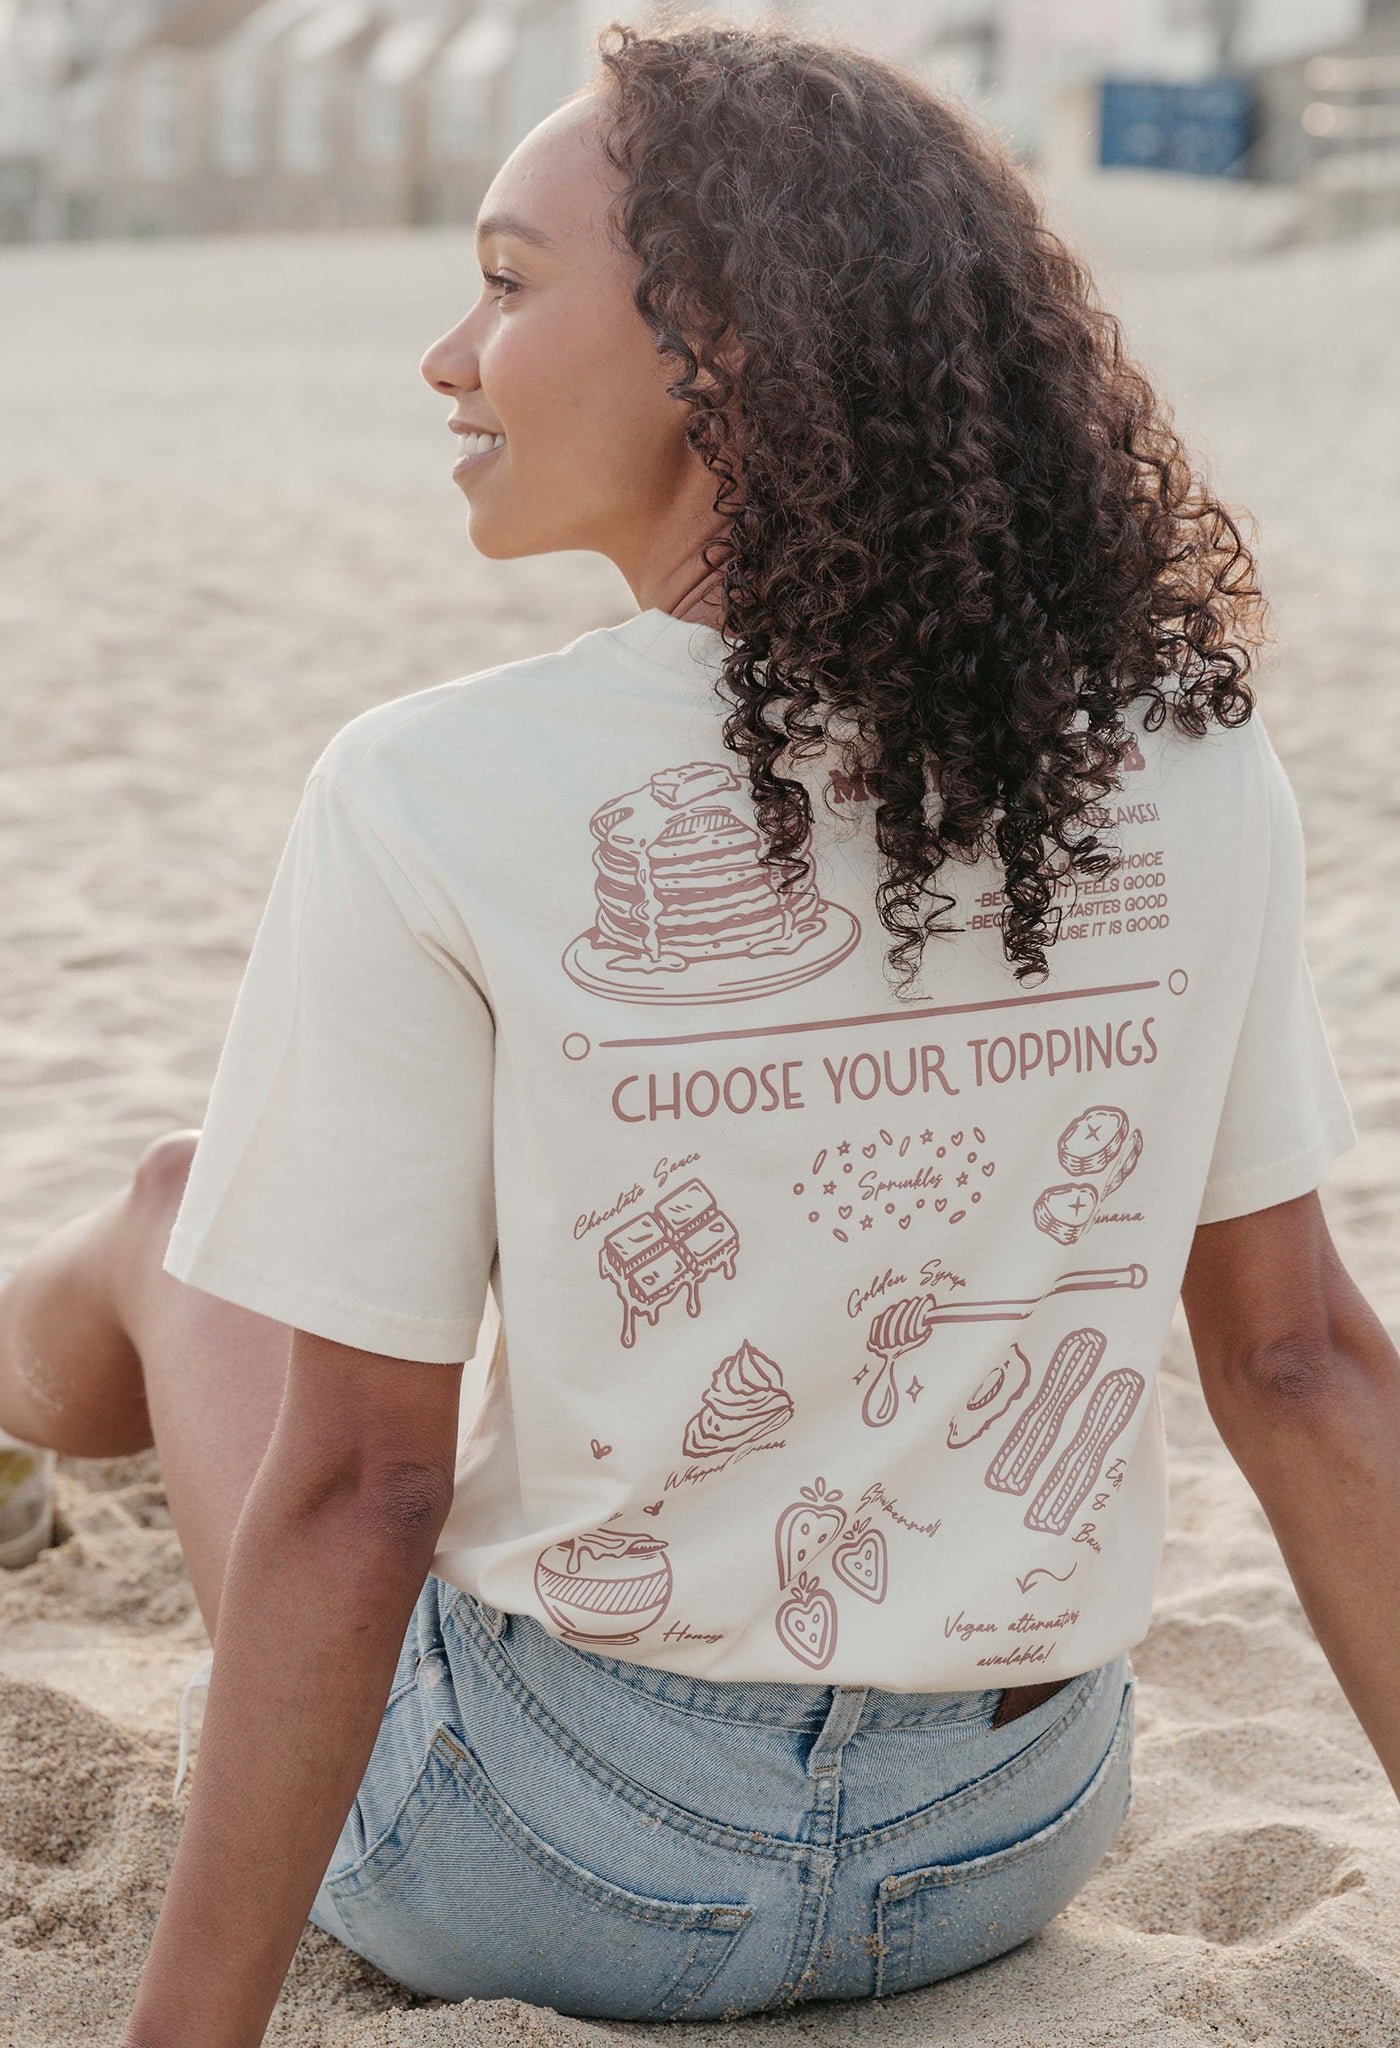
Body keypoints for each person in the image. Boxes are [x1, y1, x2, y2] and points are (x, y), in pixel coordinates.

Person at [0, 21, 1392, 2047]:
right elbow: (1298, 1358)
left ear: (719, 344)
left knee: (170, 1206)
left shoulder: (434, 792)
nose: (444, 357)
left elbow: (363, 1495)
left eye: (502, 281)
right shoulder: (1183, 756)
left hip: (574, 1859)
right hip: (1008, 1822)